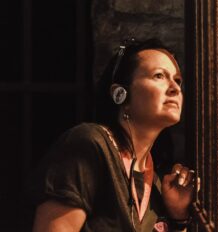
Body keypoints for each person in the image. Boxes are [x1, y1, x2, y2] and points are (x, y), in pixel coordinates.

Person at [28, 38, 195, 231]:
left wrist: (178, 216)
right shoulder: (90, 145)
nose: (175, 88)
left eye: (177, 80)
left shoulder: (156, 183)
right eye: (159, 76)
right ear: (120, 94)